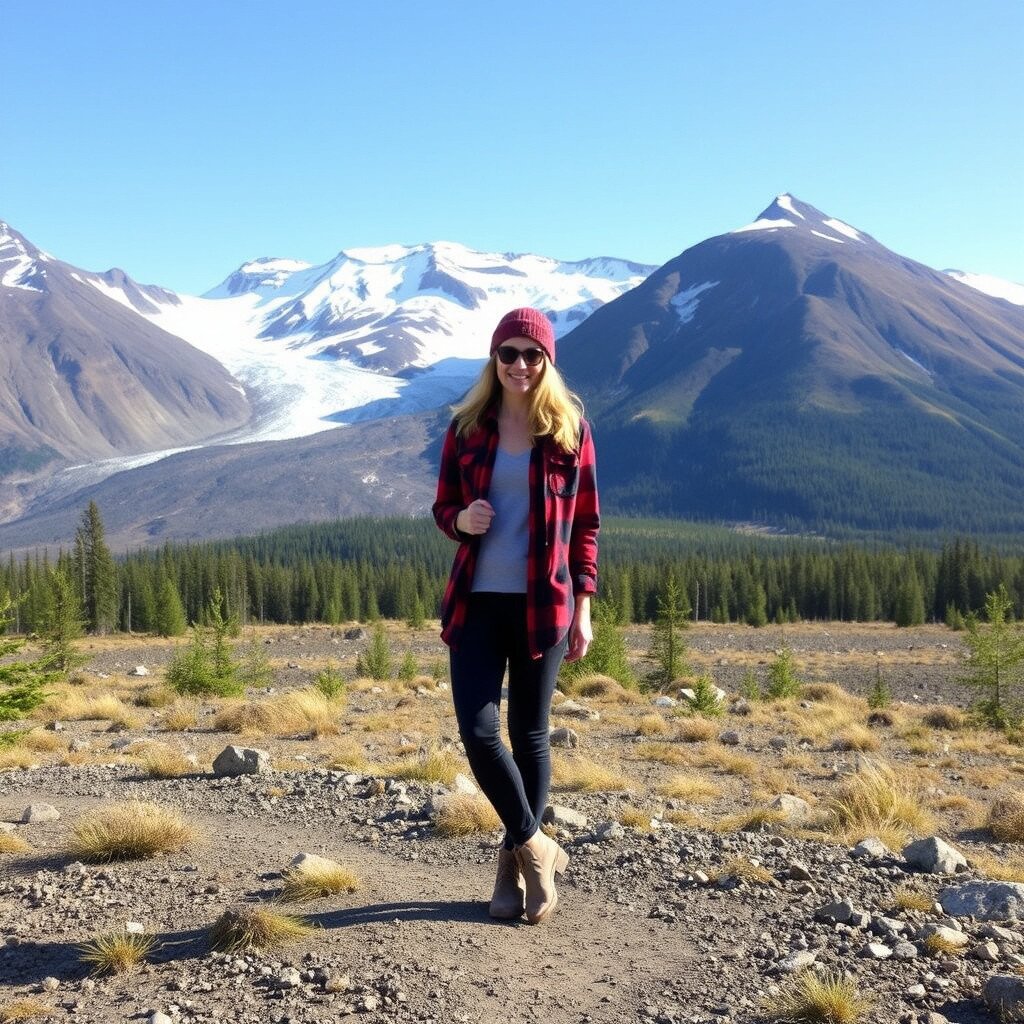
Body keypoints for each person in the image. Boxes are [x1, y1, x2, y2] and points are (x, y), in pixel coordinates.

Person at [432, 306, 599, 925]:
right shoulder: (466, 428)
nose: (520, 365)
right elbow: (443, 506)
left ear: (547, 361)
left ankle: (512, 865)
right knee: (479, 732)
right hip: (476, 601)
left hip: (544, 604)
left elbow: (587, 525)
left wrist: (584, 607)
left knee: (530, 734)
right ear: (494, 359)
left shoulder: (570, 432)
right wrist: (461, 519)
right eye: (510, 353)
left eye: (533, 354)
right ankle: (536, 844)